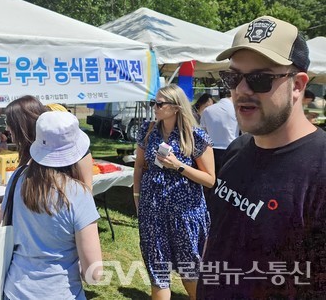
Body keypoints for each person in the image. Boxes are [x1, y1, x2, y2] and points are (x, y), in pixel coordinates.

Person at [198, 16, 326, 298]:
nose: (242, 90)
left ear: (297, 85)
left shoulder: (320, 172)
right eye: (233, 77)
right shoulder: (237, 150)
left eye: (260, 79)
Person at [1, 111, 103, 299]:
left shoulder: (17, 177)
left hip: (15, 289)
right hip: (60, 292)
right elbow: (94, 274)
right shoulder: (78, 194)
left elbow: (4, 222)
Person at [133, 84, 215, 299]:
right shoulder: (148, 130)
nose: (155, 107)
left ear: (176, 107)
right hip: (153, 212)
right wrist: (137, 198)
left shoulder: (196, 137)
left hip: (185, 214)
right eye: (154, 103)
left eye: (160, 104)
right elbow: (139, 167)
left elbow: (210, 180)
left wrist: (178, 165)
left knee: (190, 271)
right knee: (158, 272)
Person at [4, 95, 93, 189]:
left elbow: (87, 190)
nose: (6, 128)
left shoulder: (74, 149)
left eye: (9, 123)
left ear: (23, 125)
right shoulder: (29, 149)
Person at [199, 88, 239, 175]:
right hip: (232, 149)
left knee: (213, 179)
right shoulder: (237, 109)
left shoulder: (207, 110)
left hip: (211, 150)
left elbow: (203, 132)